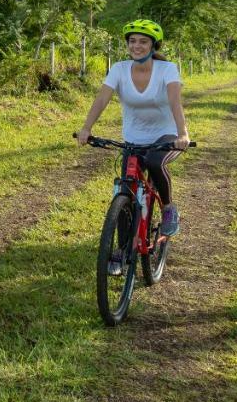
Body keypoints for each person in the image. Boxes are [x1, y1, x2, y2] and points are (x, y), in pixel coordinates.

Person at [76, 19, 190, 259]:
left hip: (165, 135)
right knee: (125, 190)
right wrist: (86, 128)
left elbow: (174, 101)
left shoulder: (167, 69)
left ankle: (168, 208)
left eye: (143, 41)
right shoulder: (118, 69)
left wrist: (182, 133)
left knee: (154, 163)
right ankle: (124, 248)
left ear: (153, 46)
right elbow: (101, 99)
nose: (137, 46)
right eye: (133, 41)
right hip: (133, 138)